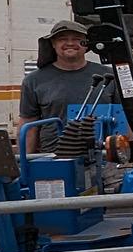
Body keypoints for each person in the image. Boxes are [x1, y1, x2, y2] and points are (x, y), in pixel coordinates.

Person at [17, 19, 120, 153]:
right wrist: (24, 163)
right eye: (62, 39)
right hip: (54, 159)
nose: (70, 43)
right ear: (53, 44)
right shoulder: (33, 80)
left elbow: (124, 117)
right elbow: (28, 124)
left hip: (104, 157)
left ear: (87, 44)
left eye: (77, 39)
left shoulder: (110, 76)